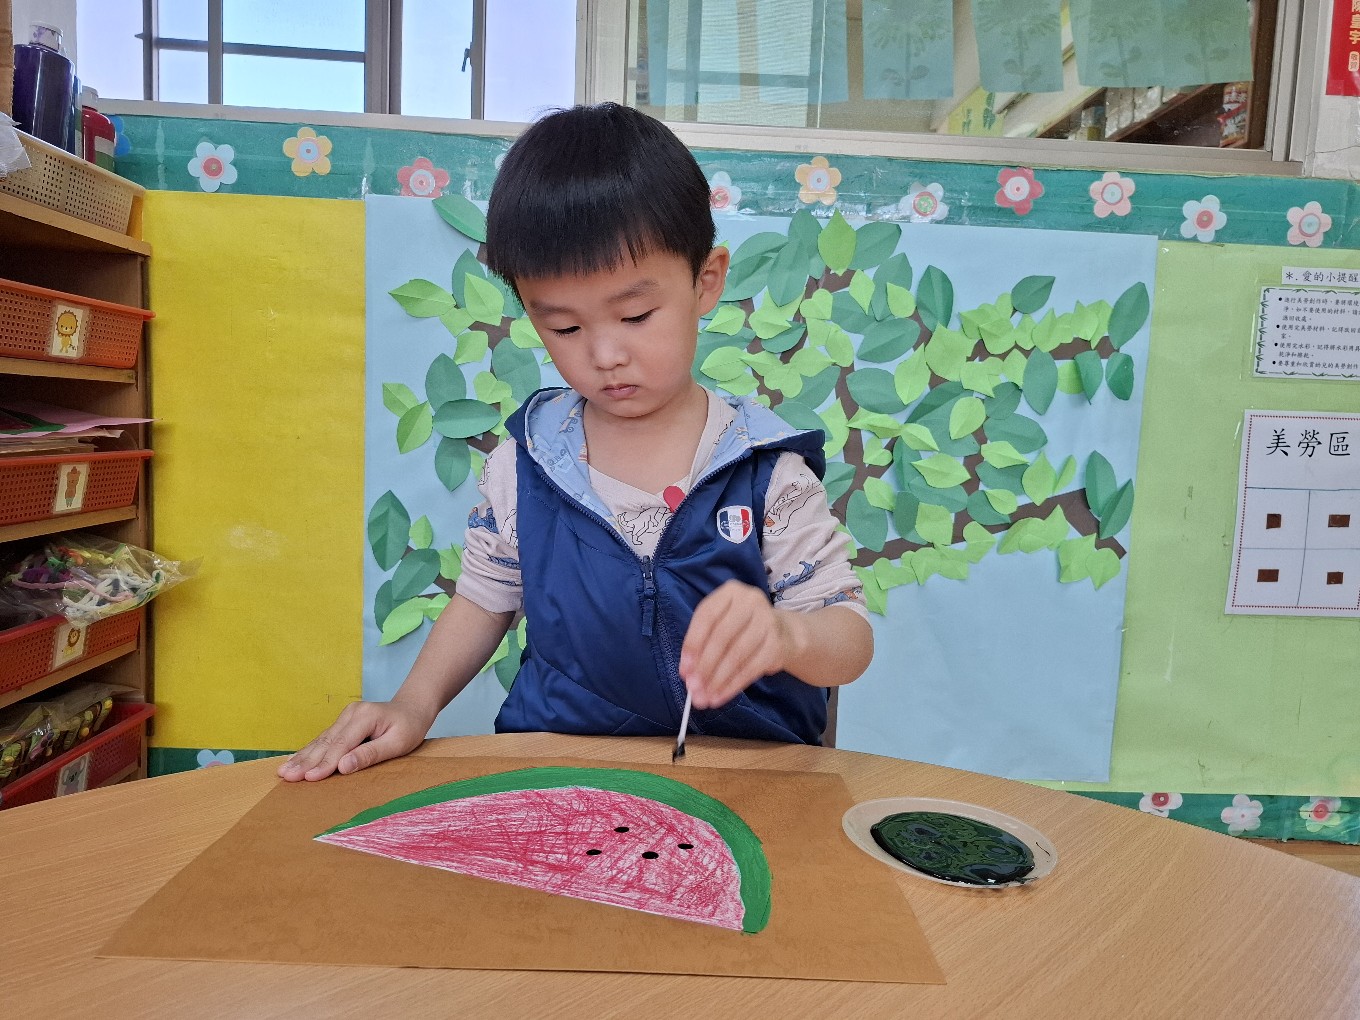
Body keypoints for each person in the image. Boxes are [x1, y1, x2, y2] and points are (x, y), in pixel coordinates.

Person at [279, 103, 873, 783]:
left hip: (746, 781)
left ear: (705, 281)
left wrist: (788, 635)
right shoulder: (526, 464)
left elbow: (849, 640)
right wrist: (414, 705)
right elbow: (484, 599)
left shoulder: (767, 472)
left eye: (636, 315)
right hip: (560, 771)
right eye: (564, 328)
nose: (605, 355)